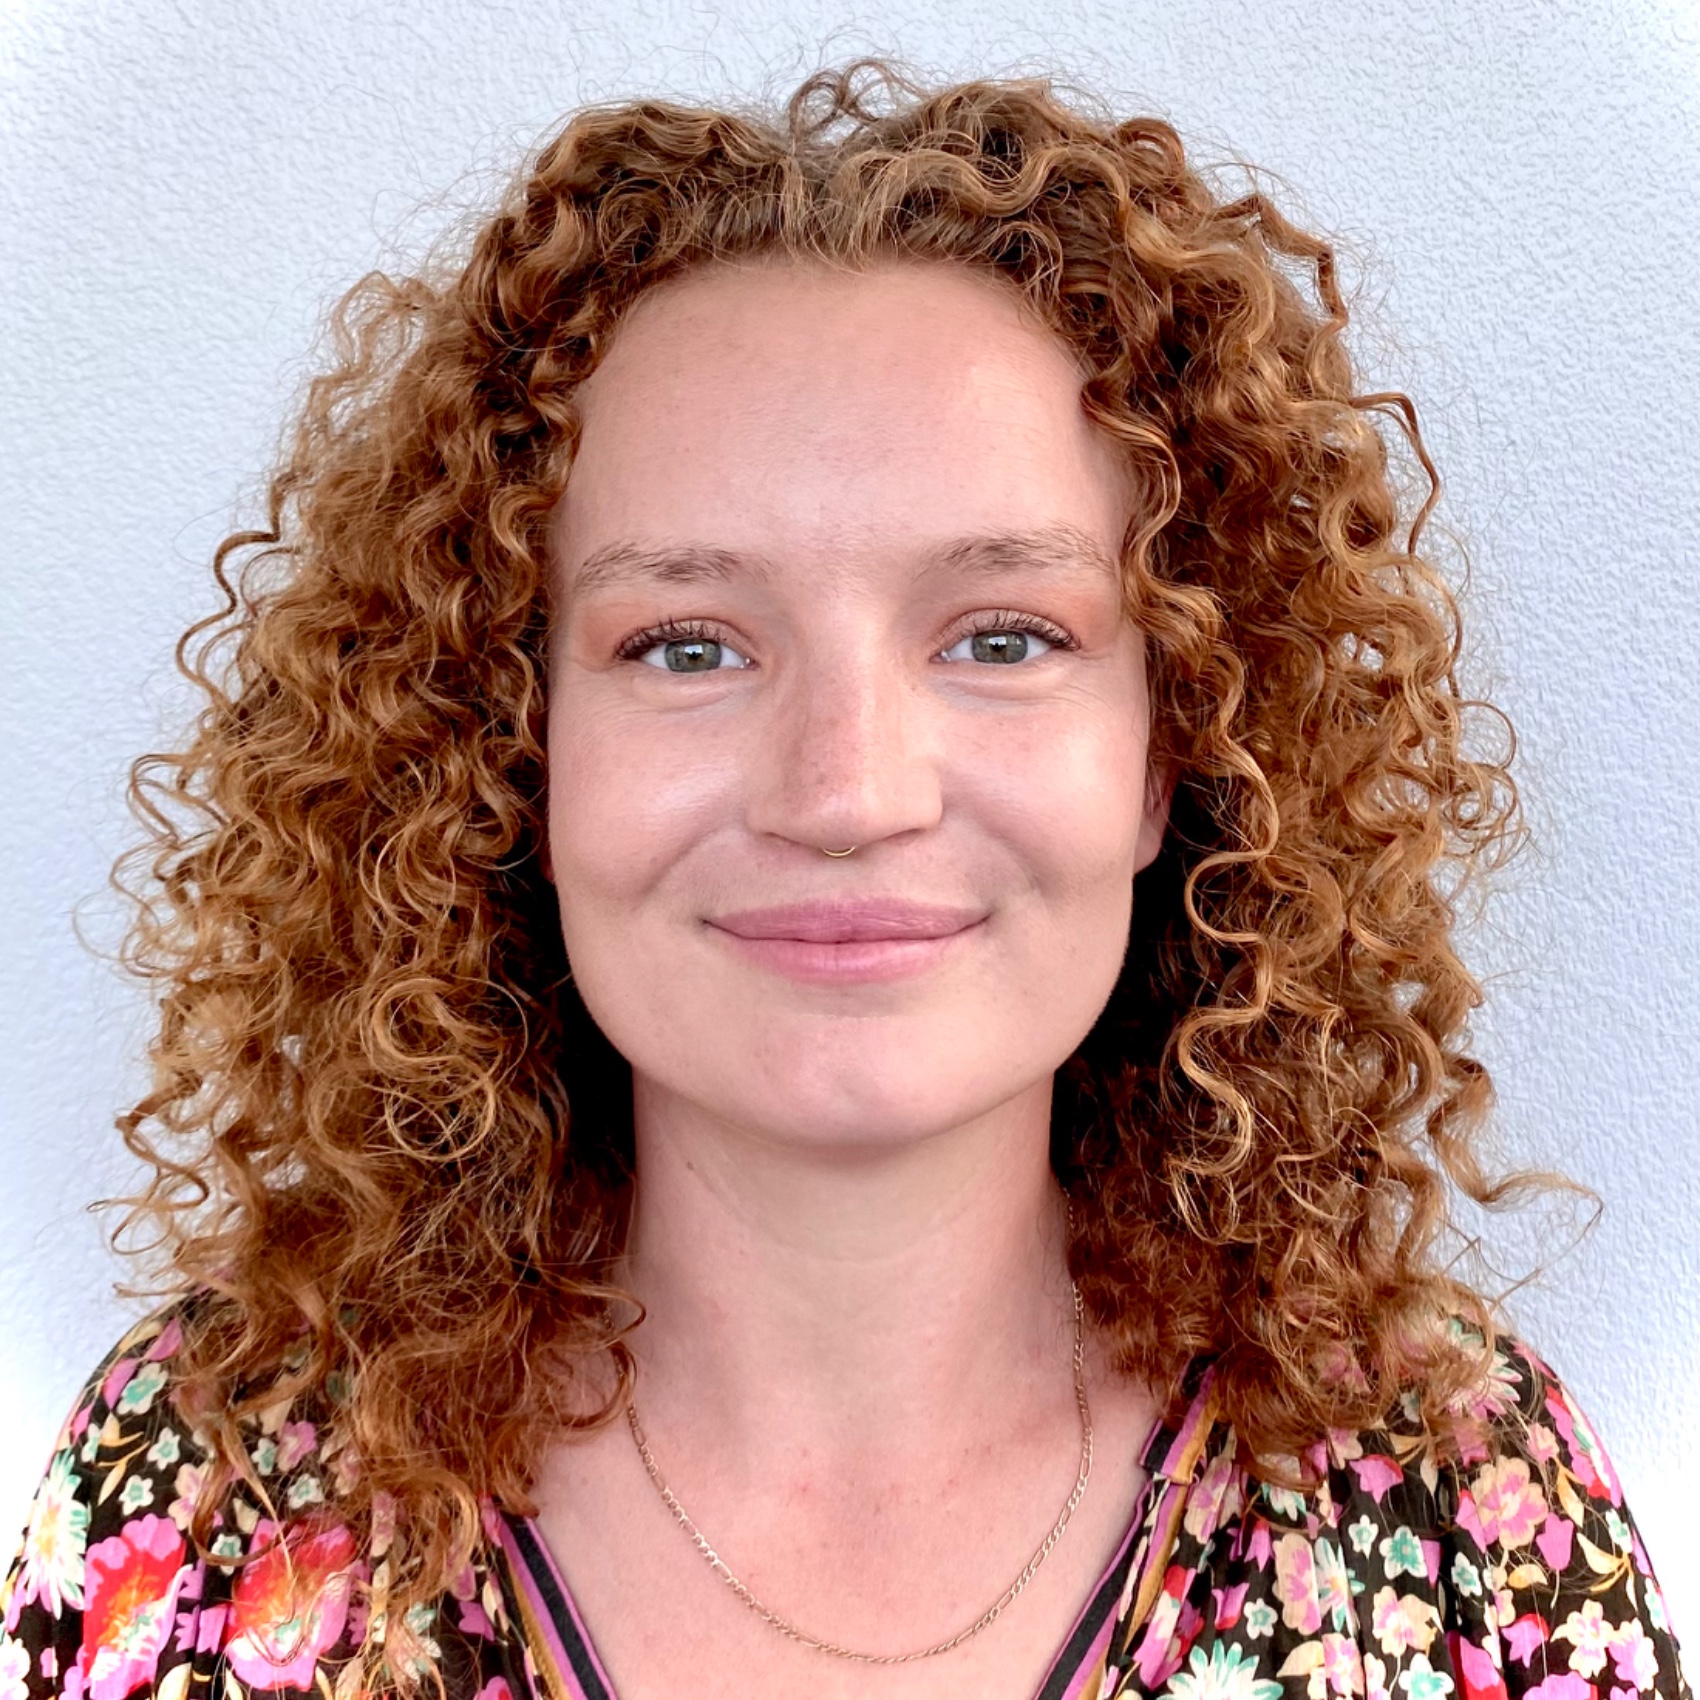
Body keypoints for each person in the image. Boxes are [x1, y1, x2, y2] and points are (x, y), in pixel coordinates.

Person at [0, 57, 1686, 1700]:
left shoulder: (1468, 1520)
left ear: (1174, 748)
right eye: (686, 645)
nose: (846, 793)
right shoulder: (204, 1501)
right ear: (510, 748)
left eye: (1003, 637)